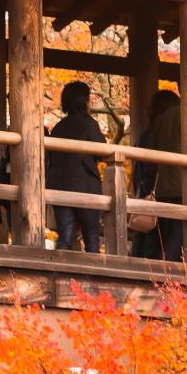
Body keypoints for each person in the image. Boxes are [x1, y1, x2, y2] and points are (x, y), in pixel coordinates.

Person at [46, 79, 108, 253]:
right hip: (85, 187)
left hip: (59, 186)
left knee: (65, 237)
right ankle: (94, 278)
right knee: (91, 239)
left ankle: (57, 276)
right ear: (84, 101)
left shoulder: (58, 127)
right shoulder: (88, 124)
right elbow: (103, 151)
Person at [129, 87, 182, 259]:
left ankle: (155, 265)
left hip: (163, 187)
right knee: (177, 232)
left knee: (160, 233)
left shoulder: (158, 124)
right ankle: (166, 269)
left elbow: (148, 160)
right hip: (186, 186)